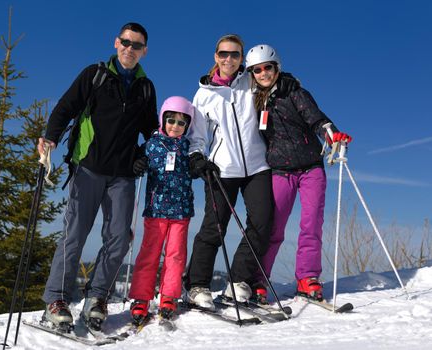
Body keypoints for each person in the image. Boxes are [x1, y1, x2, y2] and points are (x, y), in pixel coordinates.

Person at [37, 22, 158, 331]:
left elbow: (152, 132)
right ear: (116, 42)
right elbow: (65, 107)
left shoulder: (145, 88)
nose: (130, 49)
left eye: (137, 45)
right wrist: (50, 137)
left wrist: (143, 157)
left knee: (119, 238)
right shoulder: (95, 74)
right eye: (126, 42)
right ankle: (56, 300)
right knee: (75, 235)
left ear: (144, 51)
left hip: (122, 175)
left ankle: (97, 298)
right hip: (88, 168)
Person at [245, 44, 352, 302]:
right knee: (273, 226)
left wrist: (332, 134)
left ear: (276, 68)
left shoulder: (295, 92)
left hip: (310, 167)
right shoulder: (253, 101)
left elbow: (316, 119)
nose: (263, 73)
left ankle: (307, 277)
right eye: (257, 70)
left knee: (311, 224)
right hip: (280, 171)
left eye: (267, 67)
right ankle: (259, 279)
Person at [184, 34, 274, 309]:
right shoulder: (204, 94)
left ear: (241, 58)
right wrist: (197, 157)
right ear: (215, 56)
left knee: (262, 223)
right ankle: (197, 285)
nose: (229, 59)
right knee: (215, 227)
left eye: (235, 55)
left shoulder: (250, 81)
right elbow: (197, 136)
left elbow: (270, 73)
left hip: (258, 166)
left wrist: (289, 80)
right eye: (224, 54)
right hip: (222, 169)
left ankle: (239, 282)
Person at [128, 96, 195, 323]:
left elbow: (196, 164)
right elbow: (136, 158)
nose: (175, 126)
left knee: (175, 255)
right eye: (171, 120)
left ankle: (169, 295)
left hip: (180, 211)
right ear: (162, 120)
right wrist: (138, 163)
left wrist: (199, 166)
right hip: (155, 210)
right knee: (150, 253)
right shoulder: (152, 144)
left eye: (181, 122)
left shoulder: (188, 146)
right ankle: (141, 297)